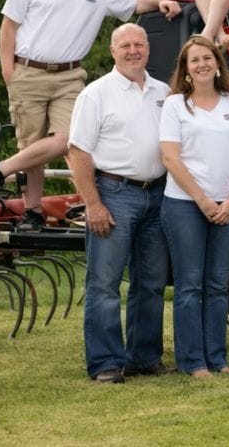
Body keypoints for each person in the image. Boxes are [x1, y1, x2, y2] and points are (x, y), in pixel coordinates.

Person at [0, 0, 178, 231]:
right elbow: (9, 25)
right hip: (27, 70)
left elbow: (131, 3)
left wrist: (162, 1)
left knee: (70, 139)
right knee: (32, 148)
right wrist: (8, 71)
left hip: (70, 76)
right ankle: (32, 213)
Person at [67, 23, 172, 384]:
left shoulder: (164, 92)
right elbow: (77, 153)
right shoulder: (96, 94)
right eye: (125, 45)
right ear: (112, 51)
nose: (133, 50)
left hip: (157, 194)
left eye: (138, 44)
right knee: (105, 284)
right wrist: (93, 205)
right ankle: (106, 363)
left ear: (147, 49)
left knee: (151, 282)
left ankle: (144, 356)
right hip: (114, 193)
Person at [159, 35, 229, 377]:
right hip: (185, 205)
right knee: (190, 285)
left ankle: (218, 358)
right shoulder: (174, 106)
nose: (201, 64)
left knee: (217, 284)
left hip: (228, 206)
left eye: (207, 58)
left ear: (217, 64)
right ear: (185, 70)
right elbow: (170, 157)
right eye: (194, 60)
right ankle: (193, 362)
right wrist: (201, 199)